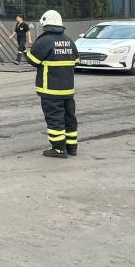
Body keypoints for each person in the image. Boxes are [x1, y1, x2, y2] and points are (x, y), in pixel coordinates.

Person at [25, 9, 79, 159]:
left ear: (45, 24)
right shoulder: (69, 41)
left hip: (51, 90)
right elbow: (76, 62)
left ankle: (59, 149)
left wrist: (25, 53)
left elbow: (33, 61)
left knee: (55, 119)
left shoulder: (43, 41)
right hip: (68, 89)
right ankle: (72, 147)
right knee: (69, 118)